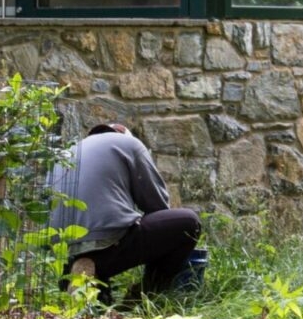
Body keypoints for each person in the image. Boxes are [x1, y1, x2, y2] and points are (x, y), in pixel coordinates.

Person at [48, 123, 201, 295]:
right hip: (105, 239)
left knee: (99, 310)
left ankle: (79, 273)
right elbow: (157, 207)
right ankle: (145, 295)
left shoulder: (69, 152)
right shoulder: (130, 144)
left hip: (63, 248)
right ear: (124, 134)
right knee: (187, 222)